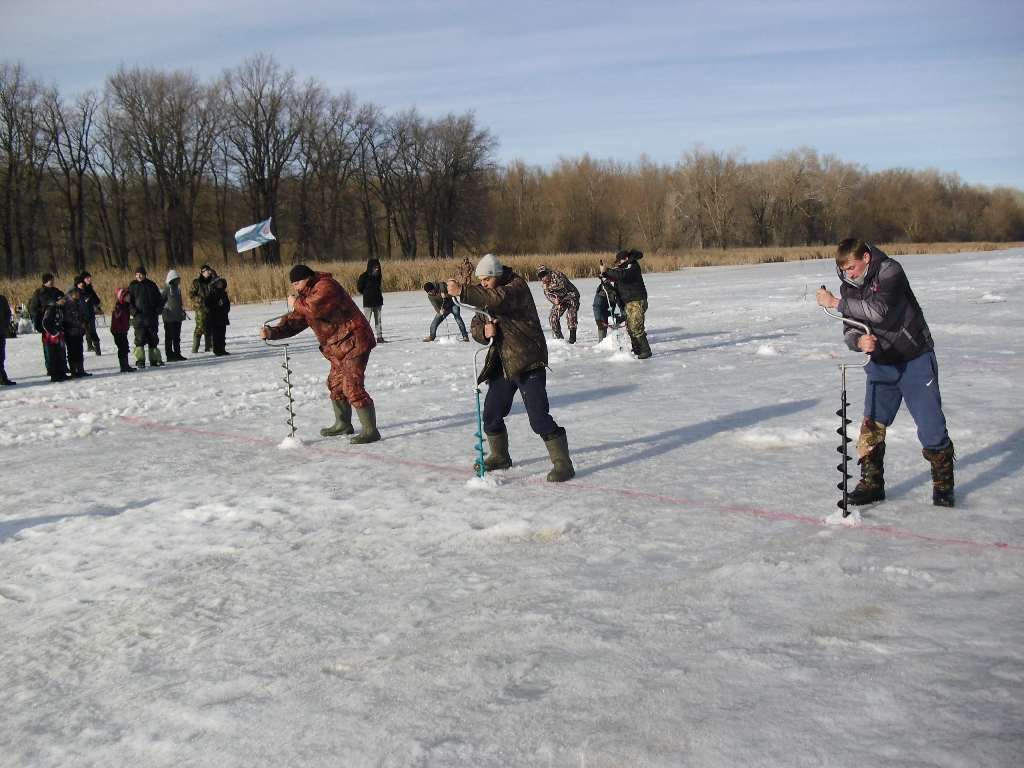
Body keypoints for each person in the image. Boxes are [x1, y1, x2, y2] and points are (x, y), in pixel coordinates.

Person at [817, 239, 955, 508]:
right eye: (844, 271)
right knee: (871, 427)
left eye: (853, 268)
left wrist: (836, 302)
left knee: (931, 429)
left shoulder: (891, 271)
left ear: (866, 258)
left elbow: (879, 311)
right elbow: (850, 330)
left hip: (914, 359)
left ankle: (943, 487)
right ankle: (872, 484)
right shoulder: (849, 288)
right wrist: (859, 342)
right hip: (880, 364)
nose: (849, 275)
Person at [446, 254, 575, 482]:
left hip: (527, 360)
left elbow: (498, 300)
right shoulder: (487, 292)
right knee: (491, 414)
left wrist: (462, 291)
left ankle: (563, 463)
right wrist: (484, 332)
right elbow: (477, 324)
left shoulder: (516, 286)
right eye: (481, 281)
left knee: (538, 417)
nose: (483, 284)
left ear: (497, 276)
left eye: (486, 279)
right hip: (503, 362)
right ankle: (500, 456)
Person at [260, 264, 380, 443]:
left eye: (297, 282)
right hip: (338, 347)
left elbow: (315, 308)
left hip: (355, 341)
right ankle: (343, 424)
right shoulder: (307, 298)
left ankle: (371, 431)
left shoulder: (326, 286)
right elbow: (296, 321)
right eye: (293, 284)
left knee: (352, 387)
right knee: (335, 384)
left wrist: (296, 303)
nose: (295, 287)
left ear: (307, 278)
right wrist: (273, 332)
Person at [600, 249, 651, 359]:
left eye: (620, 261)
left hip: (638, 300)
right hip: (628, 301)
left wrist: (607, 270)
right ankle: (637, 350)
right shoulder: (624, 267)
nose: (619, 263)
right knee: (630, 328)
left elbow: (622, 275)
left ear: (626, 259)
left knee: (637, 327)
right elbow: (617, 274)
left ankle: (646, 350)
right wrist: (604, 274)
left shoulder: (633, 267)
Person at [128, 266, 165, 369]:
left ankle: (154, 359)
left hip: (151, 317)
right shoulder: (132, 287)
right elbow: (129, 302)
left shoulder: (152, 285)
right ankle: (140, 360)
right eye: (137, 274)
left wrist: (158, 309)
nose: (139, 276)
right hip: (139, 318)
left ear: (144, 275)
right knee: (140, 339)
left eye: (141, 274)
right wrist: (134, 312)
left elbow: (159, 299)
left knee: (153, 338)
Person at [28, 274, 63, 374]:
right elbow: (33, 308)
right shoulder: (38, 293)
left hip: (57, 324)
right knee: (48, 348)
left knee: (60, 346)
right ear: (45, 281)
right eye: (50, 280)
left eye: (53, 279)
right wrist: (40, 317)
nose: (52, 281)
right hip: (45, 324)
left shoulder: (57, 291)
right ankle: (50, 368)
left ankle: (61, 366)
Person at [537, 264, 581, 343]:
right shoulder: (545, 283)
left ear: (548, 273)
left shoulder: (557, 274)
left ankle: (572, 339)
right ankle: (559, 338)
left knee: (571, 315)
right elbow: (547, 295)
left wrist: (548, 288)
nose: (543, 278)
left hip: (571, 295)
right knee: (553, 317)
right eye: (541, 277)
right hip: (561, 300)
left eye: (544, 275)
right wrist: (554, 300)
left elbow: (562, 285)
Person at [63, 284, 91, 377]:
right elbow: (68, 319)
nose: (78, 294)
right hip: (71, 332)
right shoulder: (67, 304)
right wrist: (79, 324)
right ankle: (73, 371)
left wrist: (85, 322)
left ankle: (80, 369)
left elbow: (83, 314)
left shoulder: (78, 302)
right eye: (76, 293)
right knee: (72, 352)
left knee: (79, 350)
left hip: (79, 332)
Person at [41, 292, 70, 382]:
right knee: (53, 356)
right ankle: (55, 375)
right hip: (51, 337)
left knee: (60, 354)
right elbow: (45, 322)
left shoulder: (59, 308)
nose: (64, 300)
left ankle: (61, 373)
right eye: (63, 298)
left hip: (58, 335)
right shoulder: (51, 308)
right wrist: (54, 332)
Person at [189, 265, 217, 353]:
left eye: (210, 270)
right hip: (200, 309)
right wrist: (200, 299)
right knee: (200, 327)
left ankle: (208, 346)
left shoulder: (212, 282)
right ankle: (195, 348)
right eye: (207, 270)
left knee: (209, 327)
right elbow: (191, 294)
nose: (209, 272)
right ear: (203, 272)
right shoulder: (197, 282)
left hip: (210, 308)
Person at [356, 257, 385, 343]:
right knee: (366, 320)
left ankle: (379, 337)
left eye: (378, 268)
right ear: (371, 267)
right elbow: (359, 288)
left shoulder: (378, 276)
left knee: (378, 320)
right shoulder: (364, 276)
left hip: (378, 301)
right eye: (375, 268)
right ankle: (365, 337)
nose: (377, 269)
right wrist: (367, 294)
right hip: (368, 302)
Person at [161, 269, 188, 361]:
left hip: (177, 316)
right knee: (169, 337)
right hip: (169, 317)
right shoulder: (165, 290)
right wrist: (164, 312)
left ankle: (177, 353)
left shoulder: (177, 290)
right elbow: (160, 302)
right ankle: (169, 354)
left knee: (177, 336)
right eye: (177, 279)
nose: (179, 281)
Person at [110, 287, 136, 373]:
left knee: (125, 347)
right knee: (123, 348)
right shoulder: (119, 307)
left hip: (122, 331)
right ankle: (123, 366)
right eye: (126, 296)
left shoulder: (125, 306)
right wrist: (123, 328)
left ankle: (126, 365)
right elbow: (116, 322)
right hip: (118, 331)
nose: (128, 297)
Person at [204, 277, 231, 356]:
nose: (220, 285)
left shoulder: (223, 293)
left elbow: (227, 303)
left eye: (221, 283)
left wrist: (226, 309)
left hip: (223, 316)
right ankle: (217, 349)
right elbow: (207, 304)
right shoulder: (211, 293)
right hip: (214, 317)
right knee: (216, 334)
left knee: (222, 333)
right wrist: (216, 305)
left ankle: (222, 348)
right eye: (219, 283)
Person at [593, 277, 625, 342]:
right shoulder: (599, 298)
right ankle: (602, 341)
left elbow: (621, 305)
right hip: (603, 308)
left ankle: (618, 338)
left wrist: (624, 316)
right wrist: (598, 319)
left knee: (613, 320)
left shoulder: (617, 292)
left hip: (610, 307)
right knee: (602, 321)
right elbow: (596, 307)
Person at [79, 271, 102, 355]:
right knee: (85, 330)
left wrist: (98, 307)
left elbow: (96, 300)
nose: (89, 279)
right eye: (87, 278)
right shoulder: (78, 291)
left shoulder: (89, 289)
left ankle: (93, 345)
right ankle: (89, 344)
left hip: (89, 313)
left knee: (91, 329)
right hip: (82, 314)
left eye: (89, 277)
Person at [0, 292, 15, 385]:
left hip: (1, 331)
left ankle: (2, 377)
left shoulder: (2, 299)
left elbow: (7, 313)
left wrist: (5, 324)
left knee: (1, 355)